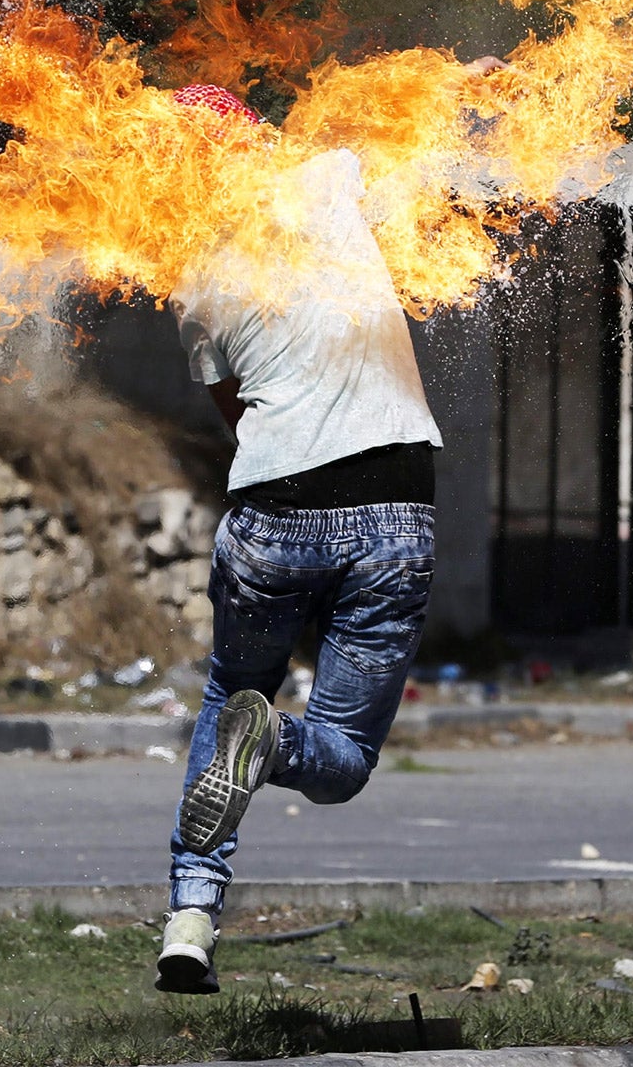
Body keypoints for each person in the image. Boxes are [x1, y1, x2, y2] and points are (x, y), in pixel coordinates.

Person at [153, 81, 446, 995]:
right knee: (342, 759)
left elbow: (231, 408)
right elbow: (407, 143)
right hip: (396, 506)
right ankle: (275, 745)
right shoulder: (326, 176)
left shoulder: (195, 281)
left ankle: (191, 919)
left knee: (230, 687)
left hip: (275, 510)